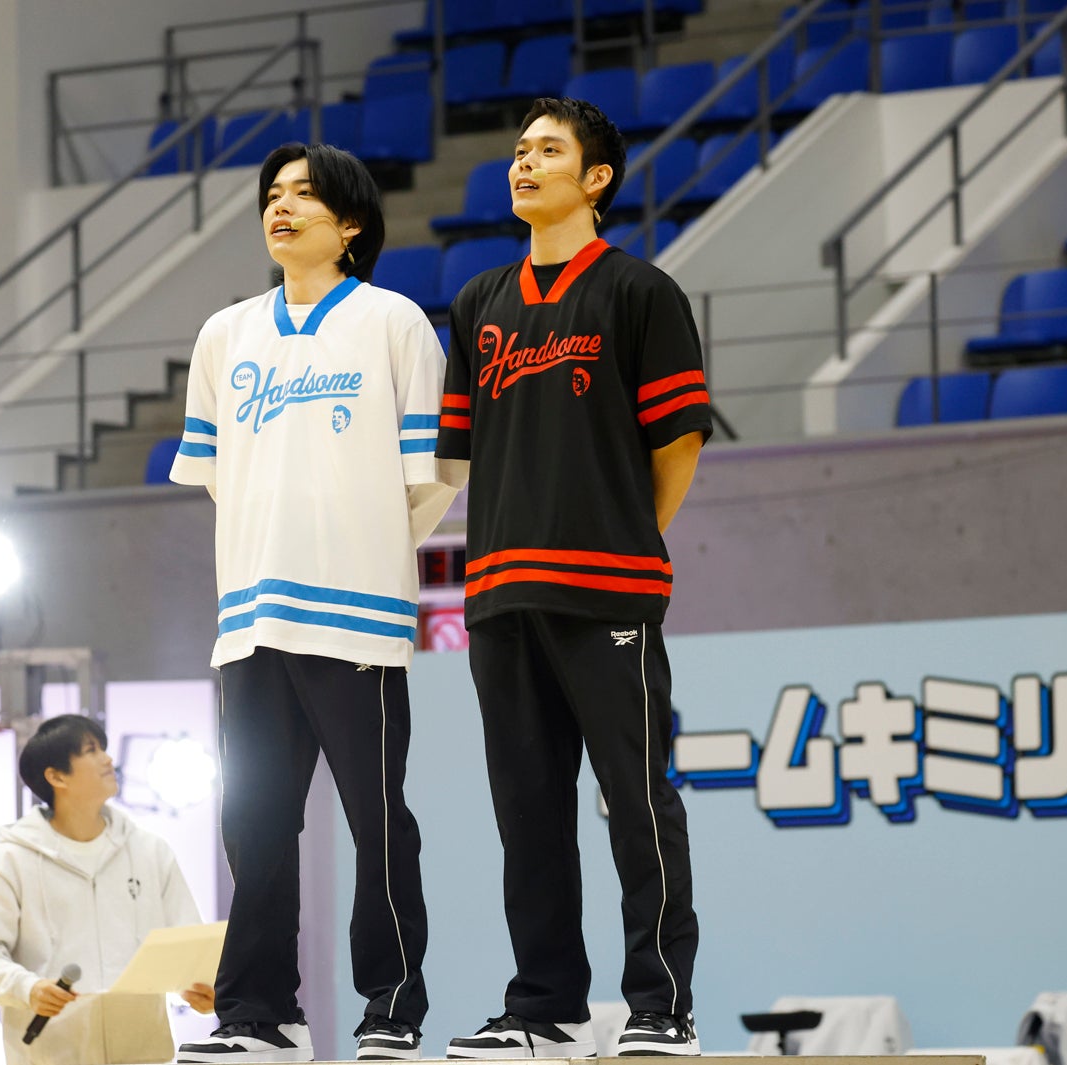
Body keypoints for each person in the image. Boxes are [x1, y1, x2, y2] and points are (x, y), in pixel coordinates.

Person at [436, 97, 712, 1059]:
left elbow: (678, 443)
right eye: (519, 150)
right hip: (498, 595)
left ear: (596, 178)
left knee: (637, 803)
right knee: (529, 814)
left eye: (548, 150)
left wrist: (623, 535)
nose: (524, 163)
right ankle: (546, 1009)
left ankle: (662, 1006)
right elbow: (460, 454)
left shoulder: (642, 293)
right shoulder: (477, 302)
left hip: (609, 592)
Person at [169, 142, 455, 1063]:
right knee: (254, 828)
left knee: (379, 824)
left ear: (352, 223)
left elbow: (429, 478)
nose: (280, 207)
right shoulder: (224, 336)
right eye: (273, 194)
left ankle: (392, 1008)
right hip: (250, 618)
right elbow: (221, 476)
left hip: (358, 615)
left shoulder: (395, 323)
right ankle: (260, 1014)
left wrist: (356, 547)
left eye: (304, 194)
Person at [0, 714, 213, 1065]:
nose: (108, 759)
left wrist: (197, 986)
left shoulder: (150, 851)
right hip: (51, 1055)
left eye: (103, 749)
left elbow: (187, 943)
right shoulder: (9, 861)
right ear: (56, 776)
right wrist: (27, 988)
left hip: (144, 1054)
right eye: (91, 750)